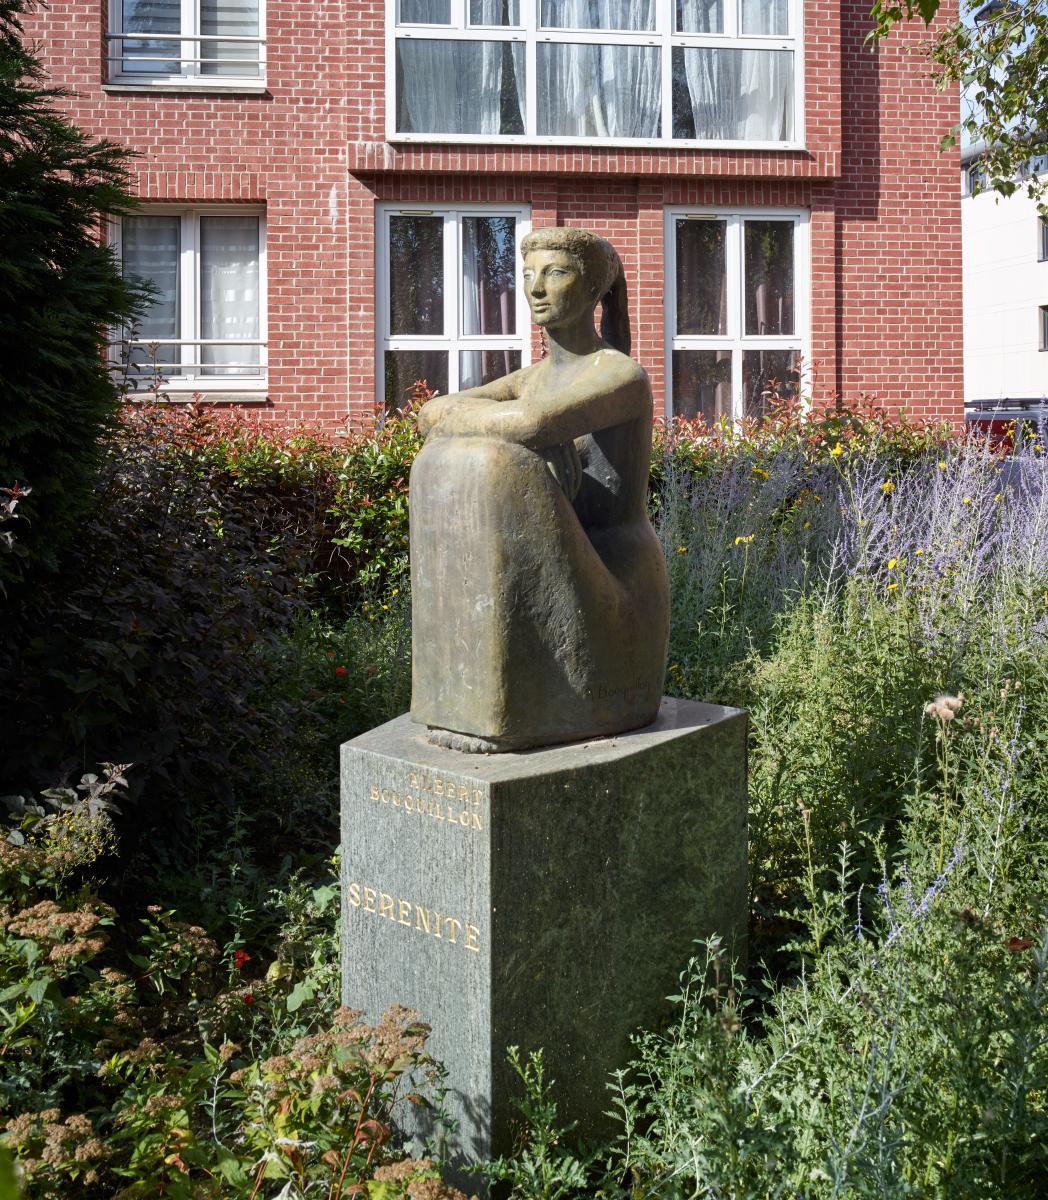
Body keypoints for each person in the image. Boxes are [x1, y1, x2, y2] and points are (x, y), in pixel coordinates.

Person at [409, 227, 669, 752]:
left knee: (499, 465)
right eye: (527, 275)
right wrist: (507, 427)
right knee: (444, 460)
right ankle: (460, 701)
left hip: (615, 585)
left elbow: (527, 425)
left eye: (555, 273)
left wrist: (519, 433)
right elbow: (429, 413)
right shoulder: (532, 378)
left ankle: (504, 708)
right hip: (561, 562)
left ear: (594, 289)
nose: (536, 288)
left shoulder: (619, 376)